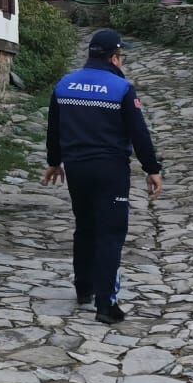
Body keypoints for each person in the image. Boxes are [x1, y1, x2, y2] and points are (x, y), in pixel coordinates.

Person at [44, 29, 164, 325]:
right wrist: (152, 168)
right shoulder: (121, 88)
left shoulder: (65, 84)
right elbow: (139, 133)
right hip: (110, 169)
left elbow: (53, 127)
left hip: (77, 168)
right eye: (121, 56)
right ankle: (106, 304)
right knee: (110, 233)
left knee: (85, 226)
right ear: (114, 57)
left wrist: (54, 162)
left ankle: (83, 288)